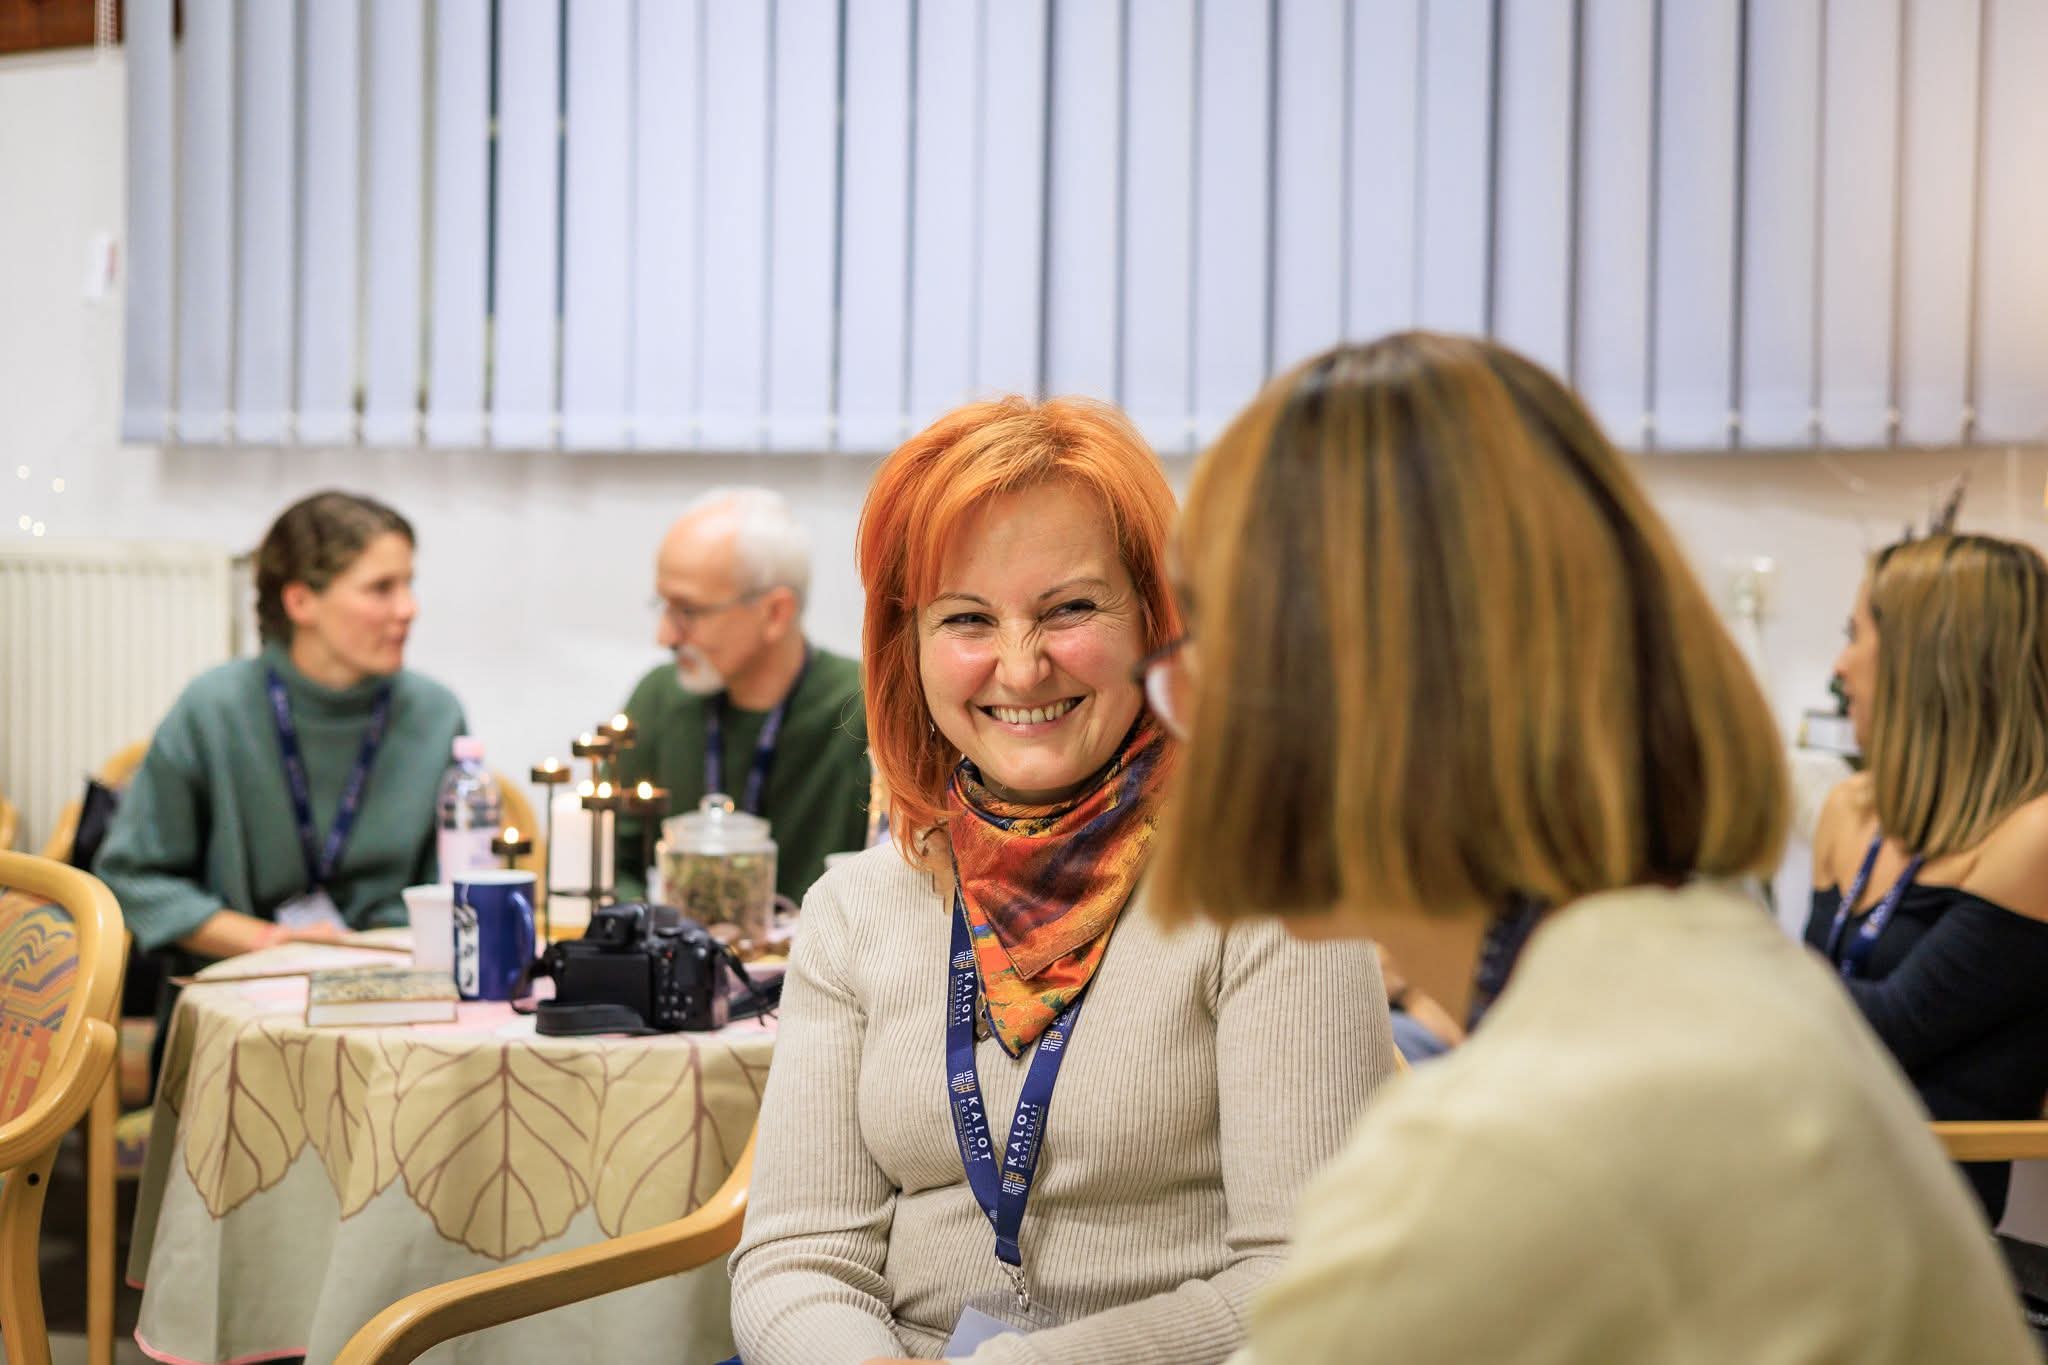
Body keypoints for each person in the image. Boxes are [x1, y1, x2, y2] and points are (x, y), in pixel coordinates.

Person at [1147, 334, 2035, 1362]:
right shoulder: (1700, 969)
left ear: (1358, 703)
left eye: (1205, 649)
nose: (1179, 707)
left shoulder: (1508, 1153)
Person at [727, 398, 1395, 1364]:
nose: (1021, 665)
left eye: (1070, 608)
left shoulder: (1270, 891)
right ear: (909, 650)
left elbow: (1309, 1276)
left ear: (1157, 620)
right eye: (967, 618)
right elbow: (798, 1256)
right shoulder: (855, 911)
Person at [95, 491, 465, 962]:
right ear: (300, 601)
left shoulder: (436, 715)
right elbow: (131, 877)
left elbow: (455, 888)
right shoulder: (213, 710)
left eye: (408, 584)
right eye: (381, 588)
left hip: (396, 977)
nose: (409, 608)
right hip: (245, 978)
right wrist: (266, 942)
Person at [1807, 532, 2048, 1224]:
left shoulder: (2034, 835)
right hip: (1815, 1161)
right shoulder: (1851, 807)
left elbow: (1893, 1025)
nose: (1840, 665)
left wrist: (1726, 964)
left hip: (1926, 1218)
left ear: (1927, 661)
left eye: (1856, 635)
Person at [613, 488, 867, 905]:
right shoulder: (659, 697)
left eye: (688, 611)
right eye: (663, 606)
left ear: (775, 613)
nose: (666, 636)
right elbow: (612, 864)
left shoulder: (866, 709)